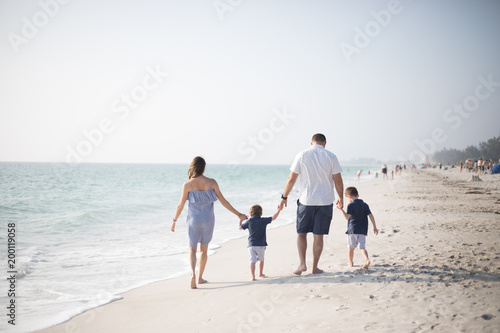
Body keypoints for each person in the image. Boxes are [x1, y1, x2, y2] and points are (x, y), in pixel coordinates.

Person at [171, 156, 247, 289]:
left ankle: (192, 275)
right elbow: (224, 202)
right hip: (208, 220)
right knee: (203, 250)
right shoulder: (212, 183)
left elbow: (180, 206)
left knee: (192, 249)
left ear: (192, 167)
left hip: (193, 220)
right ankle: (200, 278)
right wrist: (239, 214)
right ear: (203, 167)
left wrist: (174, 220)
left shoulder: (187, 184)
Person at [278, 133, 343, 275]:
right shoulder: (331, 156)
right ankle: (314, 267)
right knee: (318, 236)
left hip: (306, 201)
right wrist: (341, 198)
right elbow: (338, 180)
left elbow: (291, 178)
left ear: (311, 143)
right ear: (324, 143)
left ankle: (302, 264)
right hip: (325, 201)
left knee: (301, 234)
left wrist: (284, 197)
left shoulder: (302, 154)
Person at [337, 187, 378, 269]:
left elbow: (347, 217)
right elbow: (371, 215)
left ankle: (351, 262)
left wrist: (341, 209)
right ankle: (366, 259)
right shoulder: (365, 205)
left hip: (353, 230)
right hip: (362, 230)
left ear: (349, 196)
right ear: (358, 195)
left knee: (351, 248)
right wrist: (374, 227)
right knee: (362, 247)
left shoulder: (351, 205)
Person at [239, 205, 281, 281]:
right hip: (261, 245)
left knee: (252, 261)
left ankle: (252, 276)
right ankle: (260, 273)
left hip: (251, 245)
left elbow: (240, 228)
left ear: (251, 214)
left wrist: (241, 220)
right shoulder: (263, 220)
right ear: (261, 214)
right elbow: (274, 218)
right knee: (261, 259)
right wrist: (279, 210)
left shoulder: (249, 221)